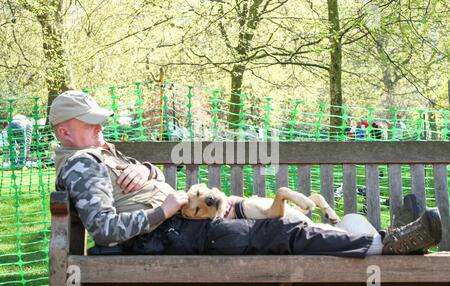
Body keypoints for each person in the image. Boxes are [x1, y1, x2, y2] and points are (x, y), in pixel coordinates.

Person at [50, 90, 442, 257]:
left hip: (188, 221)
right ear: (65, 132)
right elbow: (103, 230)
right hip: (170, 235)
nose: (99, 127)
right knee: (279, 230)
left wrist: (145, 168)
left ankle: (380, 237)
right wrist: (164, 207)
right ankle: (387, 244)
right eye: (89, 123)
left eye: (99, 119)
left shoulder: (96, 152)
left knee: (277, 215)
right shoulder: (82, 164)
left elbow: (129, 179)